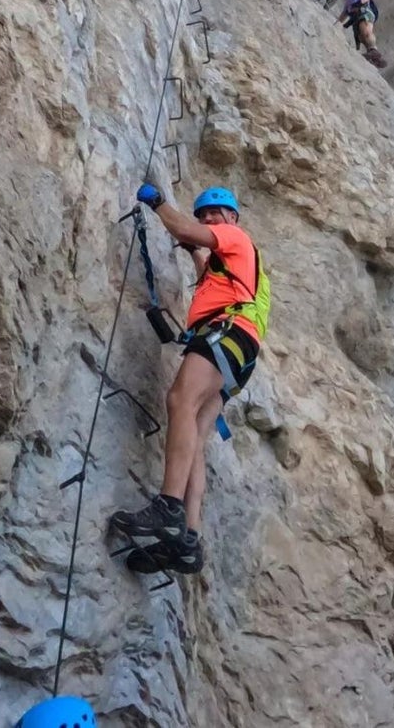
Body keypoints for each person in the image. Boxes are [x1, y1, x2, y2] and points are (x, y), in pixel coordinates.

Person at [110, 184, 266, 575]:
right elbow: (211, 273)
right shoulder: (231, 265)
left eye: (216, 213)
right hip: (240, 351)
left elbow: (182, 228)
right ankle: (187, 540)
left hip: (225, 333)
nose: (210, 219)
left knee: (179, 399)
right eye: (204, 215)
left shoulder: (235, 238)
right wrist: (197, 253)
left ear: (232, 218)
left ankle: (168, 506)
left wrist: (159, 203)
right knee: (195, 433)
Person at [338, 0, 385, 67]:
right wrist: (337, 23)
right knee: (362, 37)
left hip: (365, 12)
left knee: (366, 31)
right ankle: (375, 58)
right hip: (357, 19)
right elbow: (345, 13)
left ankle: (373, 50)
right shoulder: (348, 0)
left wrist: (360, 2)